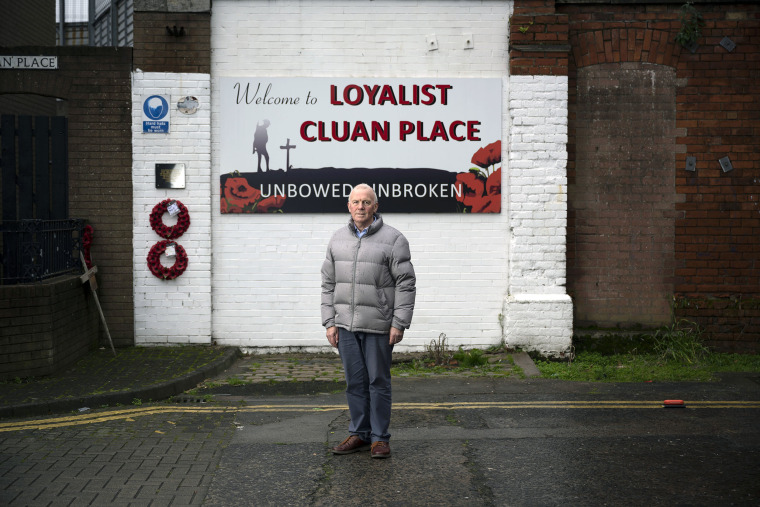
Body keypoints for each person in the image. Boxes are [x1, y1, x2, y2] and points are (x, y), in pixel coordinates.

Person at [321, 183, 416, 459]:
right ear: (348, 206)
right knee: (355, 383)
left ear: (376, 206)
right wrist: (329, 321)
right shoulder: (337, 239)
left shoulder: (394, 239)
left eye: (366, 202)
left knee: (378, 382)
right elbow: (327, 284)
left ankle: (379, 438)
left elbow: (406, 284)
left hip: (378, 325)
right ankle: (359, 433)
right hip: (345, 326)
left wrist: (399, 322)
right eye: (355, 202)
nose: (360, 207)